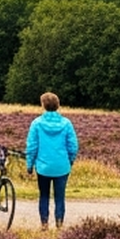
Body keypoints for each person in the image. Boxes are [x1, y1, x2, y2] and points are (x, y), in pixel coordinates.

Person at [25, 91, 79, 229]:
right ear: (58, 105)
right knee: (60, 197)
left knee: (44, 196)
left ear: (43, 105)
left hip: (43, 167)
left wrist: (29, 165)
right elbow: (73, 146)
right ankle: (59, 224)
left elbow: (32, 147)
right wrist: (70, 161)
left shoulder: (36, 124)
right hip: (62, 166)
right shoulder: (66, 124)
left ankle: (44, 224)